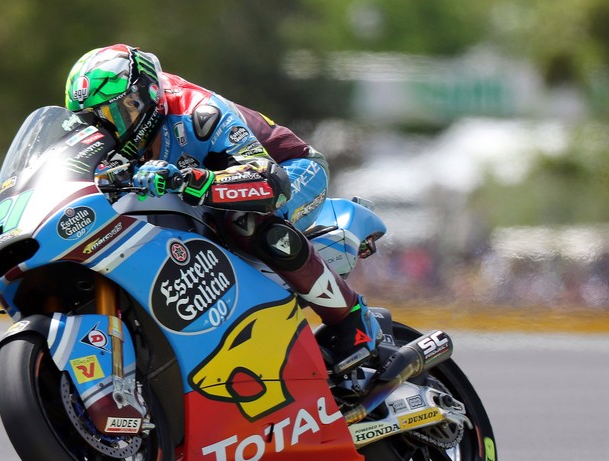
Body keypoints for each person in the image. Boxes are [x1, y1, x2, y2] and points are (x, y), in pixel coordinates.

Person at [64, 44, 381, 376]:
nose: (106, 130)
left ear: (146, 94)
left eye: (115, 114)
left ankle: (352, 321)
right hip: (206, 199)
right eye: (93, 121)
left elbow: (269, 183)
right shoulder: (109, 141)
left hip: (291, 171)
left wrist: (190, 180)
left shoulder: (199, 112)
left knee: (245, 222)